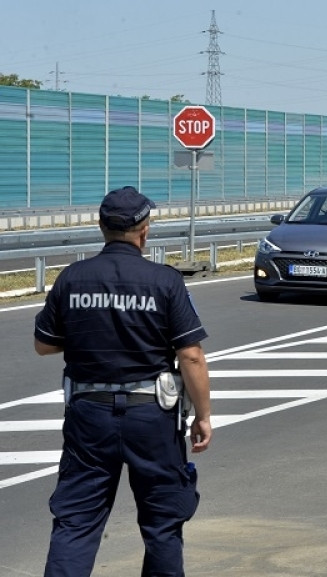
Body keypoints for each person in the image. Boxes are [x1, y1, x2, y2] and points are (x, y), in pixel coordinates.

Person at [33, 186, 212, 577]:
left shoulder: (72, 278)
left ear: (101, 227)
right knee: (162, 523)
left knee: (76, 522)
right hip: (151, 417)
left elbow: (43, 345)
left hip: (88, 415)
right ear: (145, 231)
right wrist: (203, 415)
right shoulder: (164, 281)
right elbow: (191, 355)